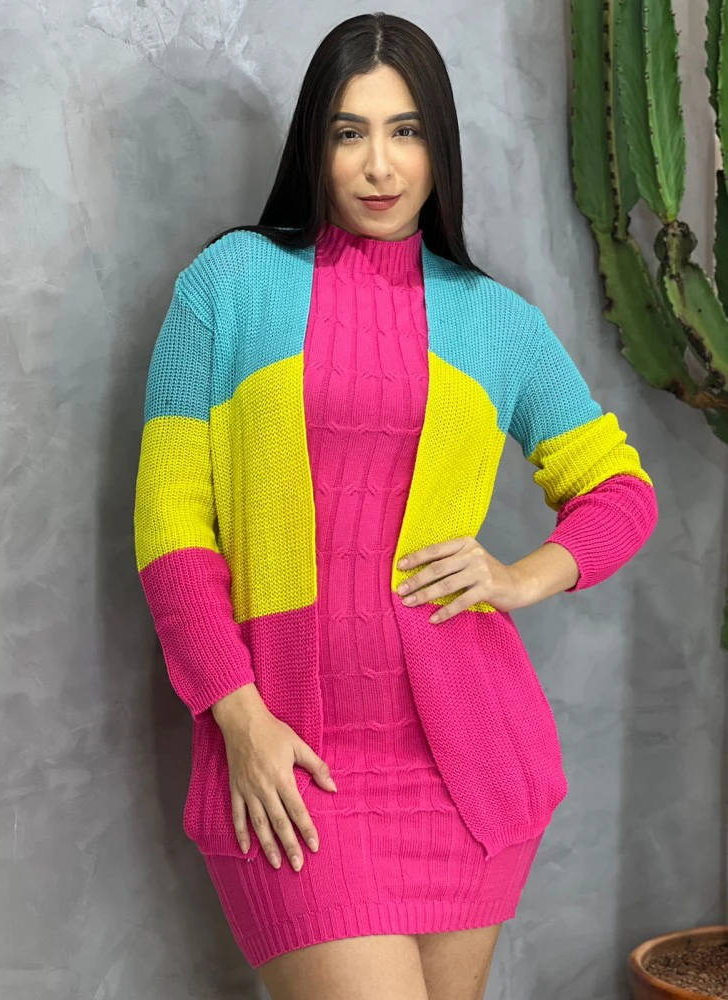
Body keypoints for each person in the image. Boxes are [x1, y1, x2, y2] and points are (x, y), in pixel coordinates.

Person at [133, 12, 658, 1000]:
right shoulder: (229, 285)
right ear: (315, 145)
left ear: (438, 145)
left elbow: (621, 492)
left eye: (405, 131)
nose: (379, 164)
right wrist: (240, 719)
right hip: (290, 750)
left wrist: (518, 578)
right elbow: (172, 533)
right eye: (350, 132)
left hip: (464, 760)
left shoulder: (496, 322)